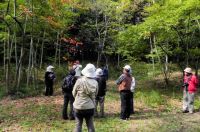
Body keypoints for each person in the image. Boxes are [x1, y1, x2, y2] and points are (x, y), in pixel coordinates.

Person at [73, 63, 98, 132]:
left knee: (78, 125)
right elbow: (95, 94)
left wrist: (78, 98)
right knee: (90, 124)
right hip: (90, 106)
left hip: (78, 106)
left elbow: (73, 92)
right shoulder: (95, 82)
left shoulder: (79, 80)